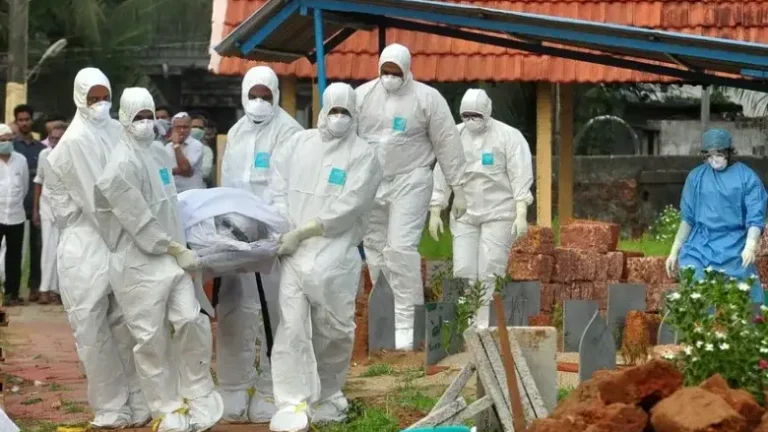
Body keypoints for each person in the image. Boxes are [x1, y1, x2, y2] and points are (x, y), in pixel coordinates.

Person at [94, 87, 222, 432]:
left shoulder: (158, 154)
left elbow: (169, 204)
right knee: (151, 339)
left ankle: (196, 394)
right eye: (138, 117)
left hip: (171, 259)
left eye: (149, 116)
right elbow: (139, 221)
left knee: (190, 320)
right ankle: (166, 409)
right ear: (124, 119)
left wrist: (183, 246)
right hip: (137, 263)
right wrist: (175, 249)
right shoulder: (119, 166)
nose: (146, 123)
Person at [268, 82, 382, 432]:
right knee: (292, 328)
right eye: (334, 110)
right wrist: (283, 225)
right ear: (323, 111)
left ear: (354, 115)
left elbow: (352, 203)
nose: (339, 118)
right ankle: (292, 400)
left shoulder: (363, 155)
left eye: (345, 112)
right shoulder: (299, 144)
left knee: (334, 329)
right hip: (293, 252)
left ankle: (328, 394)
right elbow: (277, 184)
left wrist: (307, 230)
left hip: (335, 254)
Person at [44, 67, 150, 428]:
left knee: (125, 325)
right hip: (86, 244)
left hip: (119, 239)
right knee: (91, 328)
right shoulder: (74, 142)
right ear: (79, 98)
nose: (101, 105)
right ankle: (110, 407)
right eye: (93, 98)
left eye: (105, 97)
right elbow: (97, 201)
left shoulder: (117, 130)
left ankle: (138, 402)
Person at [356, 43, 467, 350]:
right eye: (386, 71)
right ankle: (385, 319)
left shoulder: (427, 99)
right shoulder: (362, 97)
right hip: (372, 182)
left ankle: (409, 324)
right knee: (375, 249)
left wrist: (458, 187)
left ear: (406, 70)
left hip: (411, 179)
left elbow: (447, 142)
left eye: (396, 72)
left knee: (400, 249)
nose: (390, 77)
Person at [218, 65, 303, 424]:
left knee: (276, 313)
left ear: (276, 96)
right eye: (252, 95)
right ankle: (234, 386)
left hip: (273, 240)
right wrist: (229, 227)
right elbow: (227, 185)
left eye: (265, 96)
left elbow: (291, 188)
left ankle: (271, 388)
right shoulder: (237, 132)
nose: (258, 102)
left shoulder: (291, 133)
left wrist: (273, 230)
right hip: (237, 239)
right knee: (234, 309)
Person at [428, 89, 533, 327]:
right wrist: (436, 210)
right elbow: (442, 173)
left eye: (476, 115)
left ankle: (486, 326)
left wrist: (521, 212)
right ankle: (464, 324)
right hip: (464, 212)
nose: (471, 120)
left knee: (491, 269)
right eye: (466, 115)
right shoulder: (453, 136)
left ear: (487, 112)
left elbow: (520, 174)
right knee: (463, 269)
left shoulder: (508, 137)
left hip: (499, 213)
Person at [666, 128, 768, 304]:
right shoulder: (696, 177)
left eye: (719, 154)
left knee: (741, 300)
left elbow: (755, 215)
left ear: (728, 152)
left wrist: (750, 246)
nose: (714, 160)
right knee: (697, 294)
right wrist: (674, 251)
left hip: (734, 247)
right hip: (700, 246)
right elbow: (688, 219)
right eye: (709, 155)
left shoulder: (746, 178)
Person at [13, 104, 46, 303]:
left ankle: (35, 287)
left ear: (32, 121)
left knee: (37, 247)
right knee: (14, 248)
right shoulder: (10, 146)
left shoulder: (41, 149)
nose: (24, 123)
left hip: (36, 205)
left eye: (27, 119)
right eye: (20, 120)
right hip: (14, 206)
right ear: (16, 122)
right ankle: (12, 289)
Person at [33, 123, 67, 305]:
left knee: (62, 250)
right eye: (52, 138)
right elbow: (38, 181)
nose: (54, 142)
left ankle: (58, 290)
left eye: (58, 139)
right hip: (46, 207)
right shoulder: (44, 154)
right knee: (48, 248)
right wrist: (35, 211)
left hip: (66, 209)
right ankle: (44, 289)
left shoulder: (71, 156)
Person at [0, 124, 29, 306]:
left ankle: (12, 293)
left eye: (9, 139)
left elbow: (24, 187)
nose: (6, 143)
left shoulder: (21, 160)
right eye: (2, 140)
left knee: (14, 256)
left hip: (16, 216)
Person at [165, 112, 205, 192]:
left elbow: (185, 168)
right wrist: (166, 187)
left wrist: (176, 145)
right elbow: (162, 172)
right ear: (173, 128)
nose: (182, 130)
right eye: (178, 127)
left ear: (190, 128)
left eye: (185, 127)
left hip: (192, 192)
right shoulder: (167, 147)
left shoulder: (196, 145)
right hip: (173, 192)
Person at [191, 114, 214, 187]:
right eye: (194, 127)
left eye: (200, 128)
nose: (197, 130)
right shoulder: (173, 146)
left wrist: (181, 170)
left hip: (199, 189)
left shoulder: (206, 150)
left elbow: (205, 172)